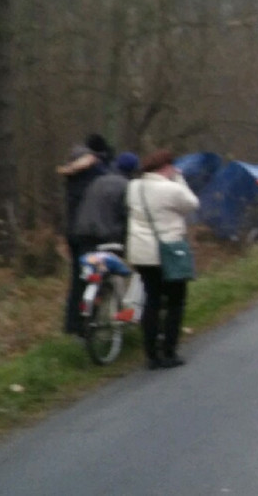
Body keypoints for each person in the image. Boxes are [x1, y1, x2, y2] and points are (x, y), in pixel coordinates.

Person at [125, 148, 200, 370]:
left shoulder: (133, 187)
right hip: (168, 251)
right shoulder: (171, 188)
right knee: (176, 301)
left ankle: (151, 355)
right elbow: (192, 204)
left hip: (141, 252)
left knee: (152, 300)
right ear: (166, 167)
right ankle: (169, 350)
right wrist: (179, 179)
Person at [73, 151, 141, 321]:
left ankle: (86, 324)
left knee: (90, 277)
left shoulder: (98, 180)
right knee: (116, 272)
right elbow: (127, 215)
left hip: (83, 233)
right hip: (108, 236)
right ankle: (119, 314)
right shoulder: (127, 186)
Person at [57, 139, 110, 335]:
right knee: (95, 278)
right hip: (90, 233)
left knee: (78, 279)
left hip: (73, 233)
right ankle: (88, 324)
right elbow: (107, 176)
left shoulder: (72, 179)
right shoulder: (94, 174)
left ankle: (72, 325)